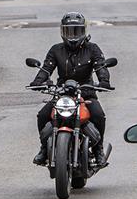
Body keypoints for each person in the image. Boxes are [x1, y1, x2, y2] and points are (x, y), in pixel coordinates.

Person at [30, 12, 113, 166]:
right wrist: (37, 81)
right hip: (62, 94)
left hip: (86, 92)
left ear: (84, 31)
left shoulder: (92, 49)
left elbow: (101, 66)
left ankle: (98, 151)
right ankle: (43, 149)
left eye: (77, 31)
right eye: (69, 31)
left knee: (98, 115)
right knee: (42, 115)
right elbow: (46, 69)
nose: (73, 36)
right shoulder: (56, 50)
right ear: (62, 32)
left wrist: (104, 81)